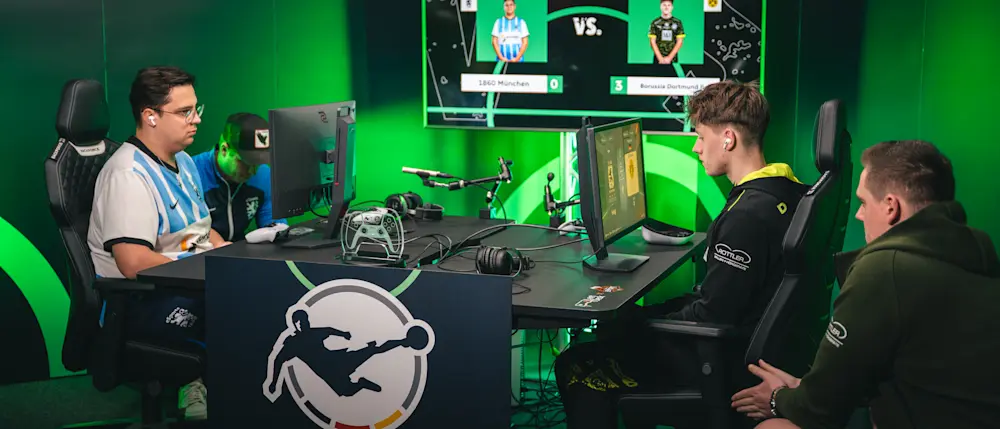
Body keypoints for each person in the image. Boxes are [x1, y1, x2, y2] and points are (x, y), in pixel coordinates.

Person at [554, 80, 809, 429]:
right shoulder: (790, 190)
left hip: (721, 363)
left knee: (575, 364)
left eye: (701, 137)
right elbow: (718, 301)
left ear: (728, 139)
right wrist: (646, 316)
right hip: (759, 349)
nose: (696, 147)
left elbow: (710, 316)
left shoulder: (746, 217)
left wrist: (638, 322)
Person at [732, 140, 1000, 429]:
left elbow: (817, 412)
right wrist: (802, 388)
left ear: (890, 207)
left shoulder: (886, 268)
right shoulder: (976, 258)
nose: (859, 214)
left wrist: (777, 398)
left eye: (863, 202)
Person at [87, 66, 225, 420]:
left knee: (255, 294)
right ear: (150, 116)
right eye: (185, 112)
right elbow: (133, 262)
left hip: (188, 285)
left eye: (196, 109)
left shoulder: (185, 162)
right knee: (240, 313)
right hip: (145, 302)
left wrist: (230, 257)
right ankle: (202, 386)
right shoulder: (128, 175)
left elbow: (202, 231)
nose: (196, 120)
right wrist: (206, 274)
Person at [192, 112, 284, 242]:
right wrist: (218, 243)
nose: (253, 171)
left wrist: (278, 232)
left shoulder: (263, 174)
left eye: (258, 163)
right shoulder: (191, 173)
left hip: (239, 248)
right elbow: (189, 227)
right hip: (201, 250)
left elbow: (274, 224)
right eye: (246, 163)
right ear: (224, 149)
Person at [649, 0, 685, 64]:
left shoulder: (677, 22)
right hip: (658, 59)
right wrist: (660, 58)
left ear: (672, 7)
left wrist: (669, 58)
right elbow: (652, 42)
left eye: (669, 5)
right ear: (660, 7)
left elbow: (680, 41)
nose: (666, 7)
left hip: (673, 59)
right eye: (664, 5)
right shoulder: (655, 23)